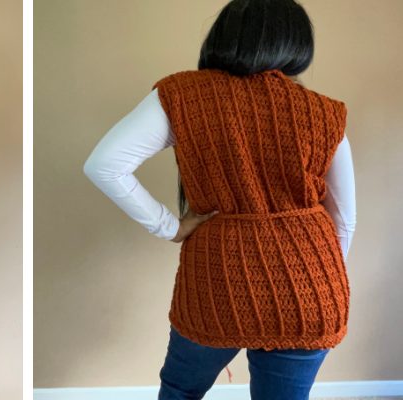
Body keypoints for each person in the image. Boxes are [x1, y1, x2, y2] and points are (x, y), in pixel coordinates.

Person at [83, 1, 356, 399]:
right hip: (309, 295)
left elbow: (104, 165)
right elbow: (344, 220)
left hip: (217, 287)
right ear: (296, 44)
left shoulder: (182, 96)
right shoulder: (323, 112)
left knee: (180, 390)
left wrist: (170, 226)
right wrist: (319, 277)